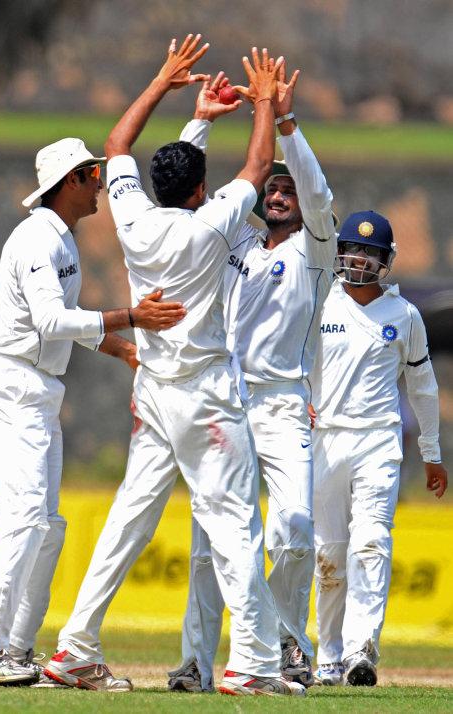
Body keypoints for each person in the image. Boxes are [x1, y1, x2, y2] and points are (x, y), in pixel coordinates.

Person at [43, 35, 306, 697]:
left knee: (131, 517)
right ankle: (250, 664)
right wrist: (266, 104)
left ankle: (75, 646)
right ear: (199, 191)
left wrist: (168, 86)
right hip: (205, 396)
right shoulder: (206, 227)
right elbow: (260, 164)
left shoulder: (133, 216)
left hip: (155, 391)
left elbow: (116, 142)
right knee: (235, 524)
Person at [0, 138, 186, 686]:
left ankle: (15, 650)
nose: (100, 184)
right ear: (69, 183)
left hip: (36, 386)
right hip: (12, 382)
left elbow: (67, 321)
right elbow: (51, 323)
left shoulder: (60, 237)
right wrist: (131, 317)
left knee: (49, 526)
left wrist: (123, 349)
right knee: (22, 520)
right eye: (91, 175)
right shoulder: (39, 239)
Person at [167, 60, 337, 693]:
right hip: (224, 400)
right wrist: (202, 122)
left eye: (286, 190)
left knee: (292, 525)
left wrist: (285, 122)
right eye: (272, 188)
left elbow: (319, 195)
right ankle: (194, 661)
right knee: (212, 538)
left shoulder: (314, 250)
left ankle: (288, 644)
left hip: (284, 401)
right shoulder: (234, 240)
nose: (277, 195)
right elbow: (185, 197)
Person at [308, 210, 448, 686]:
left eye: (369, 253)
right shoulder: (319, 303)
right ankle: (326, 654)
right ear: (338, 253)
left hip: (379, 443)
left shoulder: (403, 314)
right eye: (351, 250)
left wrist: (432, 454)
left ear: (385, 261)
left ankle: (360, 651)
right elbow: (289, 364)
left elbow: (423, 387)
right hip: (325, 439)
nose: (359, 259)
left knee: (371, 543)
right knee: (329, 552)